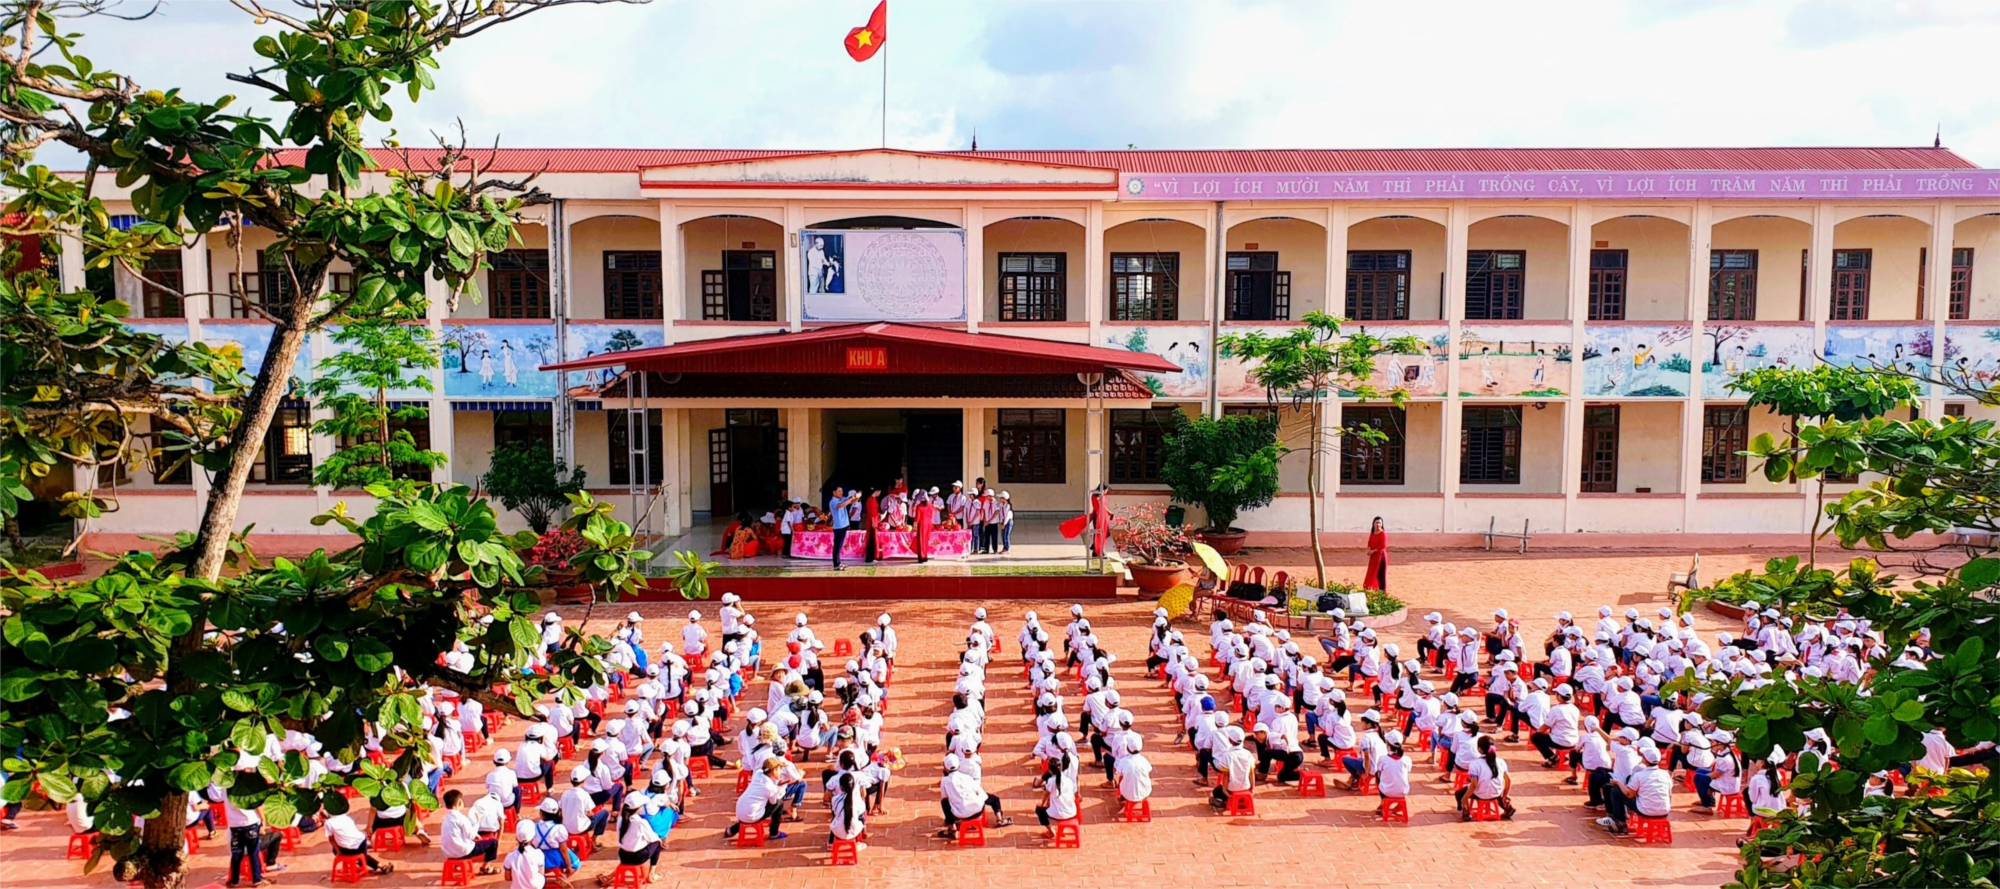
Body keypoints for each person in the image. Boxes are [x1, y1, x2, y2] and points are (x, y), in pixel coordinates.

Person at [1600, 745, 1672, 835]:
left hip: (1645, 810)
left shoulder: (1639, 775)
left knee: (1615, 791)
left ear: (1645, 760)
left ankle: (1620, 822)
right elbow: (1669, 794)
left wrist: (1618, 783)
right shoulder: (1666, 774)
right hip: (1664, 811)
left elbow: (1629, 794)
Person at [1457, 735, 1515, 820]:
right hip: (1496, 792)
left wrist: (1465, 798)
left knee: (1459, 794)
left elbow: (1474, 785)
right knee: (1497, 794)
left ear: (1480, 749)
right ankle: (1507, 808)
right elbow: (1508, 780)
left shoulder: (1475, 764)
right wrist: (1505, 795)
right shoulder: (1501, 761)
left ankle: (1466, 811)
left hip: (1480, 794)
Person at [441, 789, 499, 875]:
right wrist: (478, 822)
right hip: (463, 851)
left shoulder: (445, 818)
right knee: (493, 843)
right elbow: (470, 836)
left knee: (462, 841)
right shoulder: (461, 818)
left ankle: (457, 865)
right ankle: (486, 867)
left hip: (448, 852)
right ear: (459, 803)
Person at [325, 806, 394, 877]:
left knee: (335, 849)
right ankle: (380, 865)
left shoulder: (328, 822)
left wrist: (338, 852)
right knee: (363, 856)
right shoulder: (347, 818)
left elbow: (331, 839)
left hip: (348, 848)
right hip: (360, 843)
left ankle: (376, 865)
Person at [827, 486, 860, 570]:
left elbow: (852, 501)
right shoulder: (832, 501)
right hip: (839, 526)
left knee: (840, 545)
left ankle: (838, 563)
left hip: (844, 525)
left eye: (841, 491)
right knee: (837, 546)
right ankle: (836, 565)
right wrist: (851, 498)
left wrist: (857, 496)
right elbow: (841, 505)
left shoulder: (842, 498)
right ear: (834, 492)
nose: (841, 492)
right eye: (839, 491)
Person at [1362, 516, 1389, 590]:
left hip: (1381, 557)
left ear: (1382, 524)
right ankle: (1371, 589)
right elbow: (1369, 542)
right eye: (1376, 523)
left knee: (1381, 575)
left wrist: (1373, 551)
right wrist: (1369, 549)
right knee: (1372, 573)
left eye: (1379, 523)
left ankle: (1382, 592)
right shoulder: (1372, 533)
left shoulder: (1383, 533)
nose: (1378, 524)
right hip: (1373, 557)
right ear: (1373, 524)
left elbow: (1383, 545)